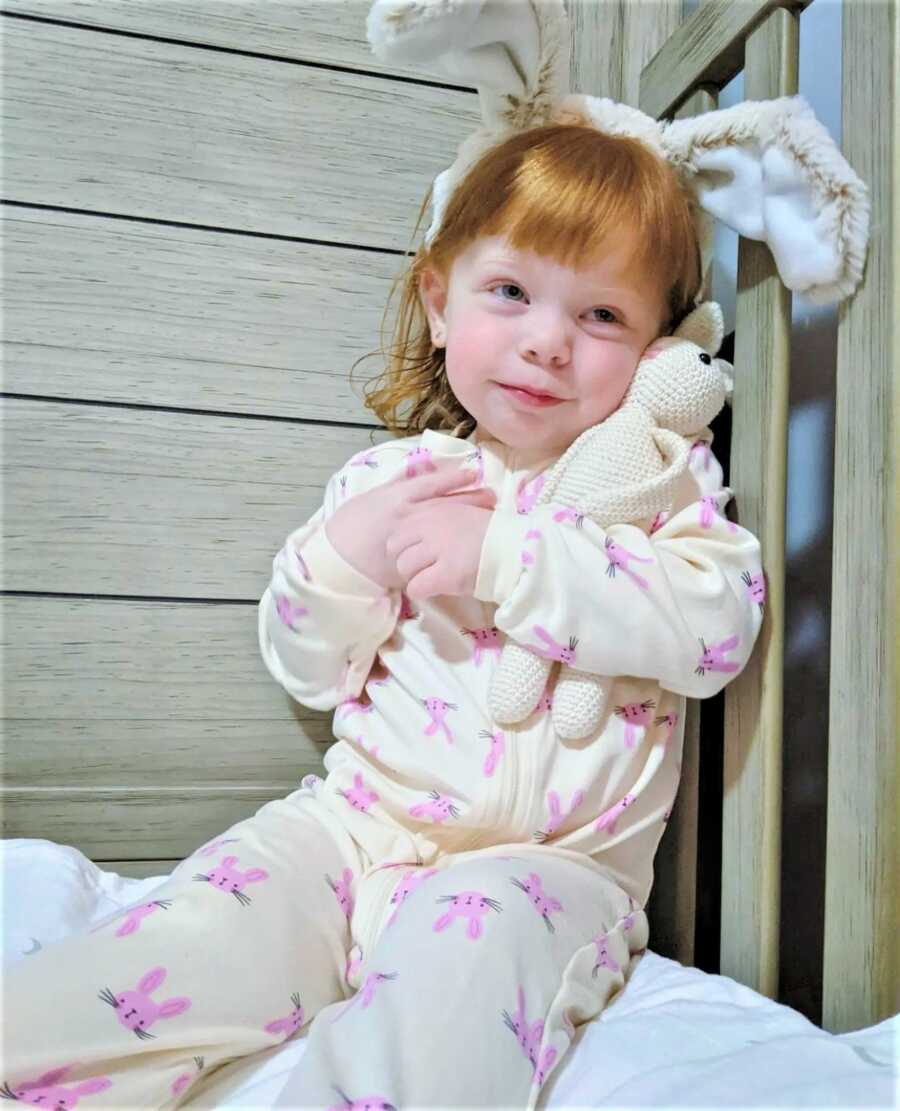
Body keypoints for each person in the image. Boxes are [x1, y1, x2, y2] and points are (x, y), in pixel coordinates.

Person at [2, 124, 763, 1110]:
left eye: (603, 313)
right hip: (352, 827)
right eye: (510, 293)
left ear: (658, 349)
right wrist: (344, 556)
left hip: (543, 873)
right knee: (192, 938)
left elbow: (716, 630)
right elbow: (307, 664)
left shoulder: (666, 491)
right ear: (440, 304)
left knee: (450, 1011)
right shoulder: (396, 480)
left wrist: (509, 560)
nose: (546, 338)